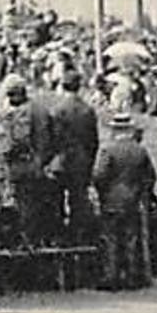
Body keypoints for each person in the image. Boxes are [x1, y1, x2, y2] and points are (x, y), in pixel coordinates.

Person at [93, 113, 156, 290]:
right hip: (133, 200)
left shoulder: (107, 149)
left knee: (111, 239)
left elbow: (99, 175)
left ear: (114, 130)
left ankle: (111, 276)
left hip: (111, 200)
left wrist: (102, 193)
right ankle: (132, 276)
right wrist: (142, 192)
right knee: (131, 239)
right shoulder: (140, 150)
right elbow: (150, 176)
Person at [0, 73, 57, 246]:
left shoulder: (22, 114)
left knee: (23, 207)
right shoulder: (42, 109)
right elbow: (53, 140)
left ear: (16, 94)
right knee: (36, 206)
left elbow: (17, 142)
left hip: (23, 166)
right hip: (39, 165)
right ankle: (38, 241)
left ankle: (27, 243)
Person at [47, 69, 100, 243]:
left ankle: (59, 236)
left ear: (63, 86)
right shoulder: (87, 110)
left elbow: (52, 139)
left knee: (57, 200)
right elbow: (93, 141)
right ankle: (78, 236)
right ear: (80, 86)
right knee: (79, 200)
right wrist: (90, 161)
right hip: (81, 162)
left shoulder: (57, 110)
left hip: (60, 161)